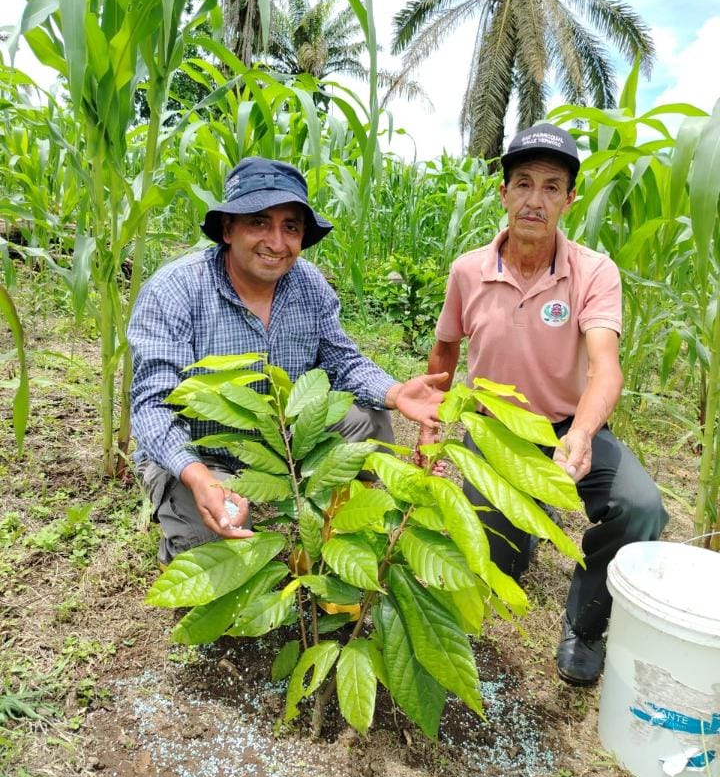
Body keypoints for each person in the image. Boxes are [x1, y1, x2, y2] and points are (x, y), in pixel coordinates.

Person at [417, 123, 668, 686]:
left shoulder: (594, 272)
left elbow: (605, 366)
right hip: (495, 434)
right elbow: (445, 350)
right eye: (524, 183)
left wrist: (582, 433)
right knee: (497, 565)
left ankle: (586, 625)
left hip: (566, 427)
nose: (535, 199)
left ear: (569, 199)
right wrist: (432, 424)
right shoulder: (468, 271)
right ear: (503, 193)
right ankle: (524, 520)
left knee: (640, 506)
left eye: (552, 187)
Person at [129, 156, 446, 566]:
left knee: (370, 419)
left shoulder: (308, 284)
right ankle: (188, 521)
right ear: (228, 229)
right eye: (259, 222)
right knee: (219, 551)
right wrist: (197, 474)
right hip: (202, 452)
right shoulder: (176, 290)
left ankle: (335, 526)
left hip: (282, 439)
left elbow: (341, 361)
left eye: (290, 227)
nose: (276, 243)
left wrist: (397, 391)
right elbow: (152, 406)